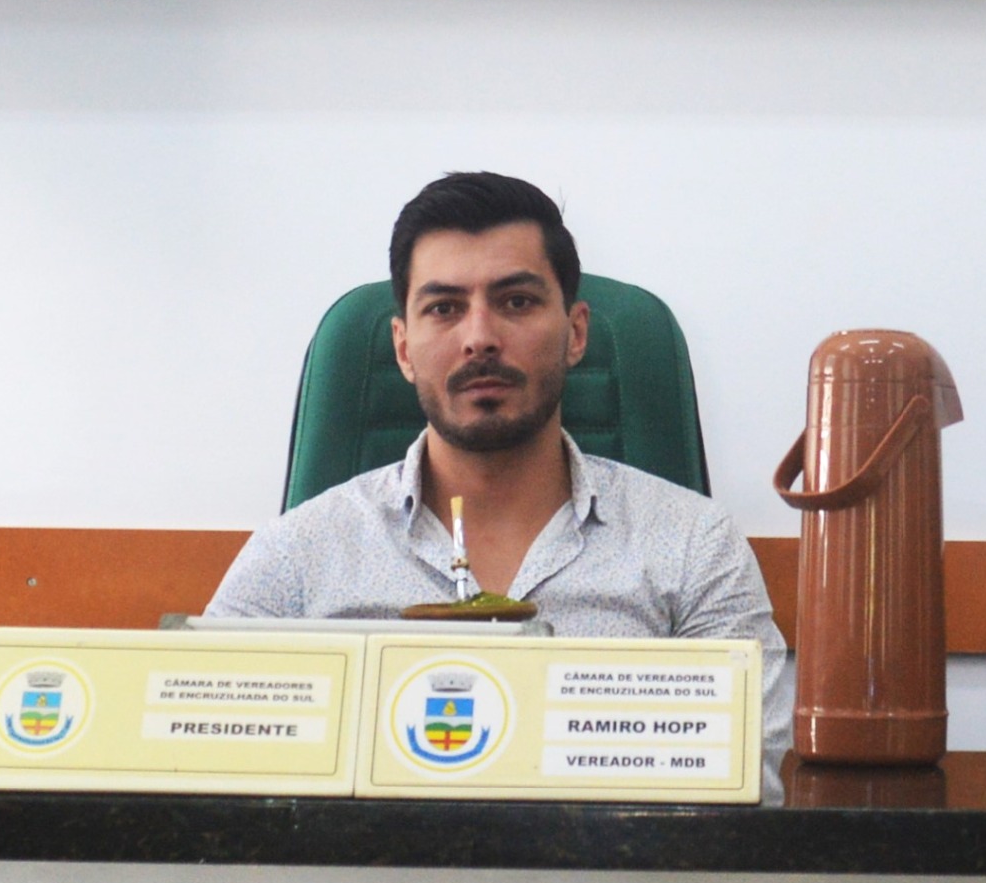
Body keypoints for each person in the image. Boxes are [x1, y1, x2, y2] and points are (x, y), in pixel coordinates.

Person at [207, 171, 792, 795]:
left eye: (516, 302)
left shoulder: (694, 545)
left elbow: (746, 782)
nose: (480, 337)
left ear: (576, 333)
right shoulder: (296, 556)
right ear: (403, 349)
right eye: (444, 308)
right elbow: (198, 766)